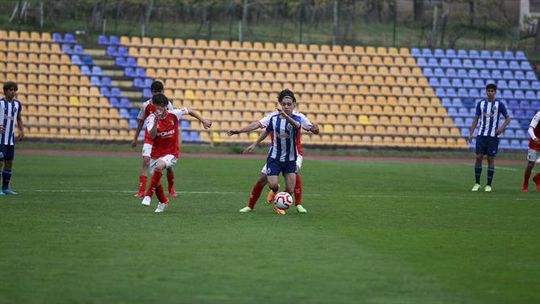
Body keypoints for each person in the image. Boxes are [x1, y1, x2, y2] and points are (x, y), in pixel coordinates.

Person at [228, 89, 316, 214]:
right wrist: (241, 132)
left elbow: (311, 128)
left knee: (294, 176)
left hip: (294, 153)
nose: (286, 106)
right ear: (280, 103)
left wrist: (315, 128)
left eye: (289, 104)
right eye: (283, 104)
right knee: (263, 179)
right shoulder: (273, 117)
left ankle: (294, 204)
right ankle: (252, 205)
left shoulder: (299, 117)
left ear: (294, 104)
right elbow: (258, 125)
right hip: (275, 154)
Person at [141, 93, 212, 213]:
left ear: (165, 107)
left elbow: (189, 111)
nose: (158, 110)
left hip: (171, 152)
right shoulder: (151, 119)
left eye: (160, 107)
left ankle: (148, 196)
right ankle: (163, 201)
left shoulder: (174, 114)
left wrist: (203, 121)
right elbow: (152, 136)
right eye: (156, 107)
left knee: (159, 167)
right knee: (155, 179)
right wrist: (156, 121)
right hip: (156, 153)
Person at [131, 81, 177, 198]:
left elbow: (173, 119)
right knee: (146, 161)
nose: (157, 93)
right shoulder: (146, 105)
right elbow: (141, 122)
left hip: (163, 139)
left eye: (159, 92)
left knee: (168, 167)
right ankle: (142, 191)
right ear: (151, 92)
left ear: (162, 91)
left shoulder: (167, 104)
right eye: (155, 92)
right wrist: (135, 138)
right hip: (150, 138)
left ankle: (171, 189)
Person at [467, 83, 511, 192]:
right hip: (481, 135)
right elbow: (476, 118)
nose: (490, 93)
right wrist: (471, 133)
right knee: (478, 157)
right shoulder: (481, 104)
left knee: (490, 159)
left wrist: (501, 128)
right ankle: (477, 183)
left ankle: (488, 185)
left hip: (493, 136)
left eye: (492, 91)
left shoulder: (499, 104)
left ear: (495, 92)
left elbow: (507, 118)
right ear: (486, 92)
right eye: (488, 91)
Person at [0, 82, 24, 195]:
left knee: (9, 163)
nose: (13, 92)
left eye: (14, 90)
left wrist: (21, 130)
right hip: (0, 139)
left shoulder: (17, 104)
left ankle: (5, 188)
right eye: (10, 89)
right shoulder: (0, 103)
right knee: (0, 162)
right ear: (5, 91)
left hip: (10, 139)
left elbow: (18, 118)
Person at [522, 110, 540, 192]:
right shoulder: (539, 114)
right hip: (535, 141)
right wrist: (534, 138)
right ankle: (525, 183)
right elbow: (530, 129)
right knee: (530, 165)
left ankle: (537, 179)